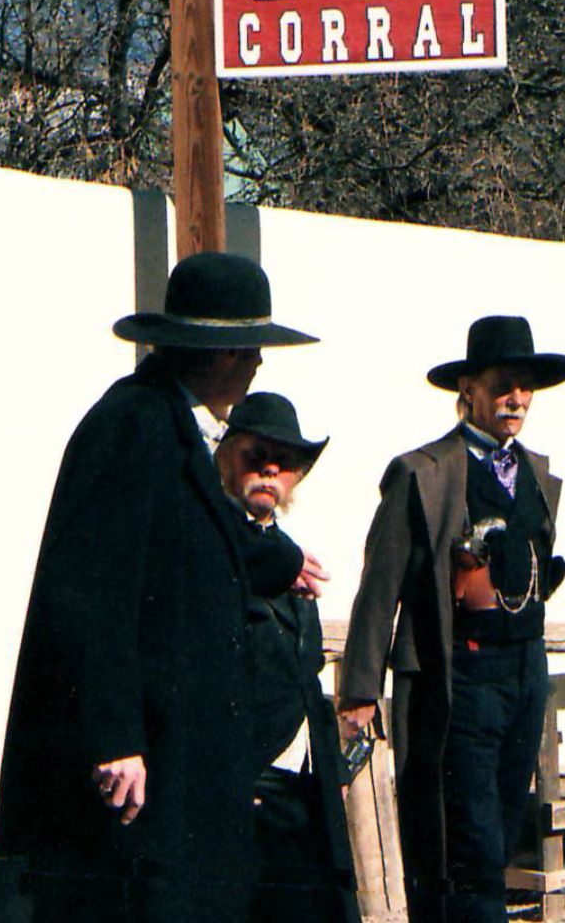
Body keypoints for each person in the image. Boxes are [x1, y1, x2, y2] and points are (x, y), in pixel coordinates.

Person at [0, 252, 317, 923]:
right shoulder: (133, 426)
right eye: (253, 349)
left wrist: (278, 559)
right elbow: (88, 594)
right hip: (147, 761)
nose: (257, 367)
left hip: (184, 758)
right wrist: (114, 738)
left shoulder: (179, 430)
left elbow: (191, 545)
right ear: (223, 353)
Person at [336, 316, 565, 923]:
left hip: (523, 676)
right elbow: (379, 584)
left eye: (524, 386)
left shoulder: (538, 476)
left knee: (499, 832)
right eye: (501, 384)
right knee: (463, 846)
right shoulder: (425, 473)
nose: (515, 399)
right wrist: (361, 690)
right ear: (468, 389)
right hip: (460, 681)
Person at [215, 393, 361, 923]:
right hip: (246, 786)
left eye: (284, 461)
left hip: (304, 791)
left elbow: (306, 670)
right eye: (256, 456)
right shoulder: (213, 547)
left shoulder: (292, 555)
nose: (269, 470)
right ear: (227, 458)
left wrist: (332, 760)